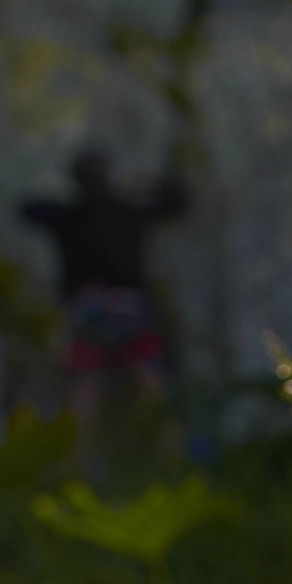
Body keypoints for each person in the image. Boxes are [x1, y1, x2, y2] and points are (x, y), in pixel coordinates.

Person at [21, 149, 187, 430]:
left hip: (89, 309)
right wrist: (152, 183)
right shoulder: (128, 212)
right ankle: (173, 452)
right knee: (149, 381)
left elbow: (27, 209)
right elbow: (175, 202)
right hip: (130, 308)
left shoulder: (68, 216)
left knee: (86, 387)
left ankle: (78, 463)